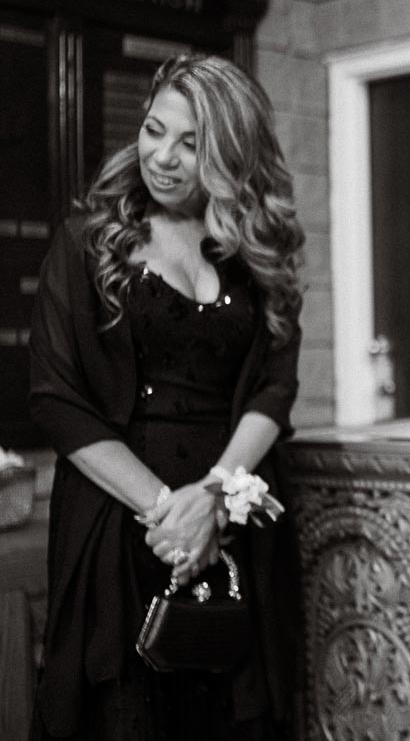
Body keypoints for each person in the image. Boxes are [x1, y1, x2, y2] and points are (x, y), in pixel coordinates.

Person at [28, 54, 305, 740]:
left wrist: (212, 498)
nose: (165, 157)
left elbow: (275, 387)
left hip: (236, 525)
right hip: (122, 533)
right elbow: (56, 397)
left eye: (192, 144)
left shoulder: (253, 250)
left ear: (230, 155)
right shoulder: (87, 242)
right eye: (156, 130)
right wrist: (170, 514)